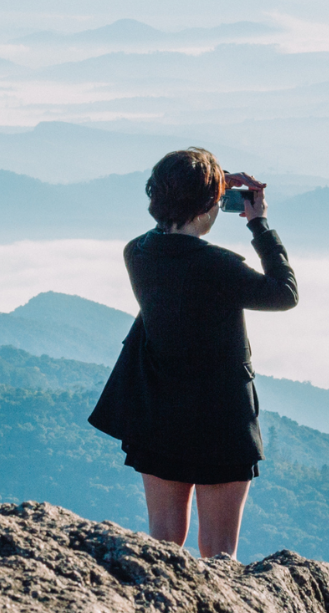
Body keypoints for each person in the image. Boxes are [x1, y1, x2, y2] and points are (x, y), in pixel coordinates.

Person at [88, 148, 297, 558]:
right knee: (219, 555)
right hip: (221, 418)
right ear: (207, 205)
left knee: (163, 543)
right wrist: (260, 225)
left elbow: (170, 244)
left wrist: (212, 185)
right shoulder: (219, 266)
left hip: (158, 411)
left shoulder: (137, 253)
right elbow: (284, 293)